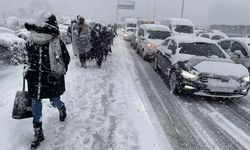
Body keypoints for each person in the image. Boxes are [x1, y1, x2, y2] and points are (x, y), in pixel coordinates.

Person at [23, 12, 70, 150]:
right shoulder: (30, 41)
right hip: (35, 79)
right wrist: (27, 70)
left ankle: (61, 108)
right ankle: (38, 133)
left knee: (55, 101)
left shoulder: (56, 42)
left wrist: (57, 70)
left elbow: (65, 59)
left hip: (51, 79)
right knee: (36, 105)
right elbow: (26, 59)